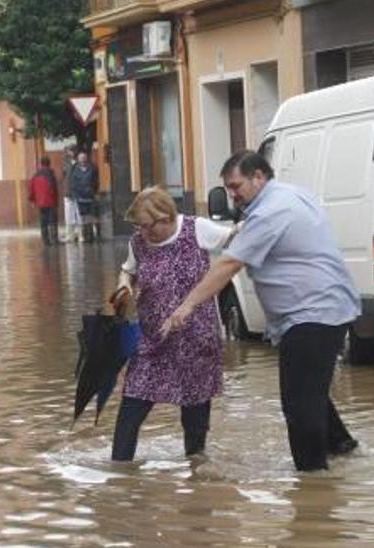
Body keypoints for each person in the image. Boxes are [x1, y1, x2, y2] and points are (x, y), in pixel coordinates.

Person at [160, 150, 360, 472]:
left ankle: (312, 481)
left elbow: (229, 263)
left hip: (311, 314)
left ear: (258, 177)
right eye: (227, 189)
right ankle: (344, 449)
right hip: (327, 309)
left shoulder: (270, 211)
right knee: (311, 391)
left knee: (297, 403)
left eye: (236, 186)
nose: (233, 195)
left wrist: (187, 305)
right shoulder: (292, 195)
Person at [110, 187, 234, 461]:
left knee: (194, 416)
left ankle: (196, 470)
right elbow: (127, 270)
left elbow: (235, 241)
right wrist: (123, 286)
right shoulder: (138, 243)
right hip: (152, 341)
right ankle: (119, 473)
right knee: (132, 404)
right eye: (138, 226)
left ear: (166, 216)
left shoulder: (196, 228)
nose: (143, 233)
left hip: (196, 339)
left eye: (147, 226)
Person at [66, 151, 100, 243]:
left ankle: (92, 235)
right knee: (83, 217)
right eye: (81, 158)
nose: (82, 160)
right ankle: (86, 235)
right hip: (80, 197)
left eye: (84, 158)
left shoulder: (92, 168)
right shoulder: (75, 169)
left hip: (90, 196)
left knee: (92, 216)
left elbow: (96, 181)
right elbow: (73, 182)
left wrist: (95, 192)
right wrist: (74, 194)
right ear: (78, 159)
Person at [28, 157, 60, 245]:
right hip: (51, 201)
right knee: (52, 221)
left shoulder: (36, 175)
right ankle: (54, 239)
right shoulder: (50, 174)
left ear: (41, 164)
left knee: (43, 221)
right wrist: (56, 201)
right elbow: (53, 188)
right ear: (49, 163)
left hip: (40, 203)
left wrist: (32, 200)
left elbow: (31, 189)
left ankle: (45, 240)